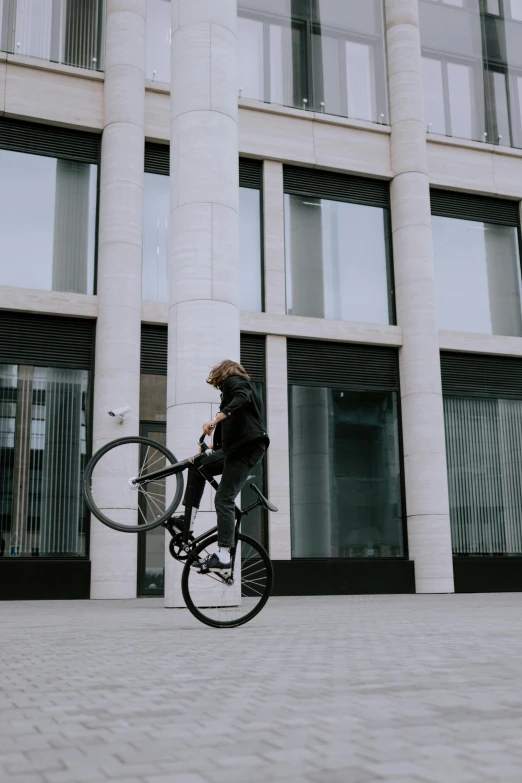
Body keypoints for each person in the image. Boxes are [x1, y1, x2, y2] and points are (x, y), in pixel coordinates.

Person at [179, 359, 269, 572]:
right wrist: (211, 447)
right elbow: (227, 429)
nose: (219, 387)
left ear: (223, 374)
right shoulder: (231, 393)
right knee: (198, 465)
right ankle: (186, 522)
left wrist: (214, 419)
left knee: (224, 498)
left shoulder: (235, 381)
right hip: (236, 448)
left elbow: (241, 398)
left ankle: (224, 554)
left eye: (218, 383)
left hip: (246, 447)